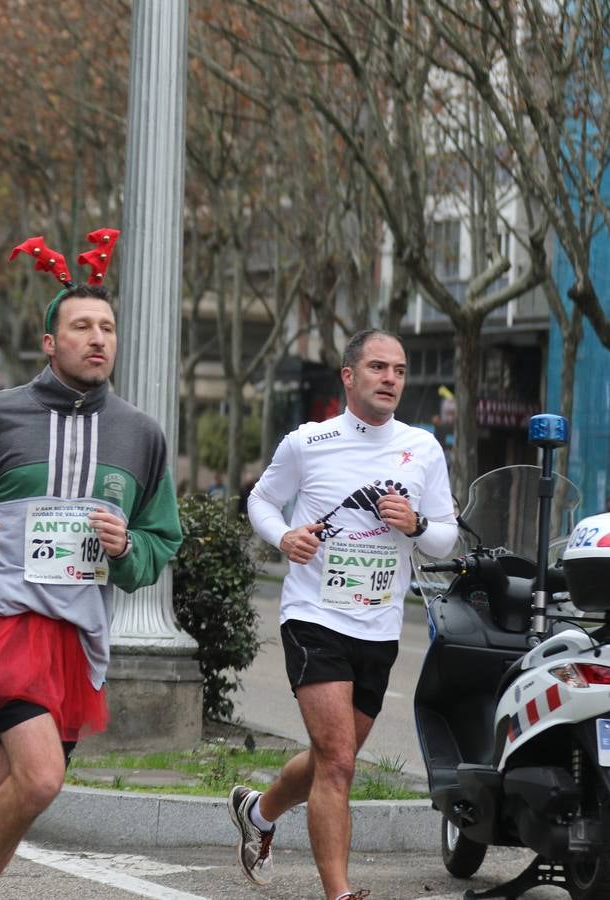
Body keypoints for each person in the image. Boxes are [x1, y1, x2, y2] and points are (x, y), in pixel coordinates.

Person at [0, 236, 183, 900]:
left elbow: (159, 539)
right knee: (40, 779)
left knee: (15, 788)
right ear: (48, 343)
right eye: (81, 327)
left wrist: (125, 547)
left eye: (107, 328)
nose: (97, 339)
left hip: (75, 634)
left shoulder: (139, 433)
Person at [235, 328, 457, 900]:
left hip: (380, 625)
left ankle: (259, 812)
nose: (391, 379)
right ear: (349, 376)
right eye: (379, 367)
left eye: (400, 370)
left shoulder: (424, 449)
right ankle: (340, 893)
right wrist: (285, 537)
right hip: (314, 615)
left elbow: (445, 538)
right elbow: (260, 499)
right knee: (337, 762)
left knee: (332, 756)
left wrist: (417, 525)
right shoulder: (308, 442)